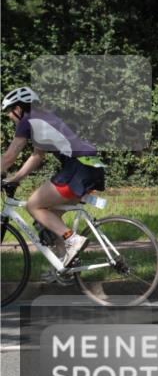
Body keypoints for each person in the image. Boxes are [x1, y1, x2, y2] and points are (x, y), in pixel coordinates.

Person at [1, 87, 106, 277]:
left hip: (78, 167)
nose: (9, 116)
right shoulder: (42, 119)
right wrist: (14, 179)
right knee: (47, 219)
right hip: (91, 167)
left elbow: (10, 156)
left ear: (19, 108)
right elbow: (37, 157)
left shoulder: (27, 120)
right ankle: (66, 265)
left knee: (33, 205)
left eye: (9, 111)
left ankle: (72, 240)